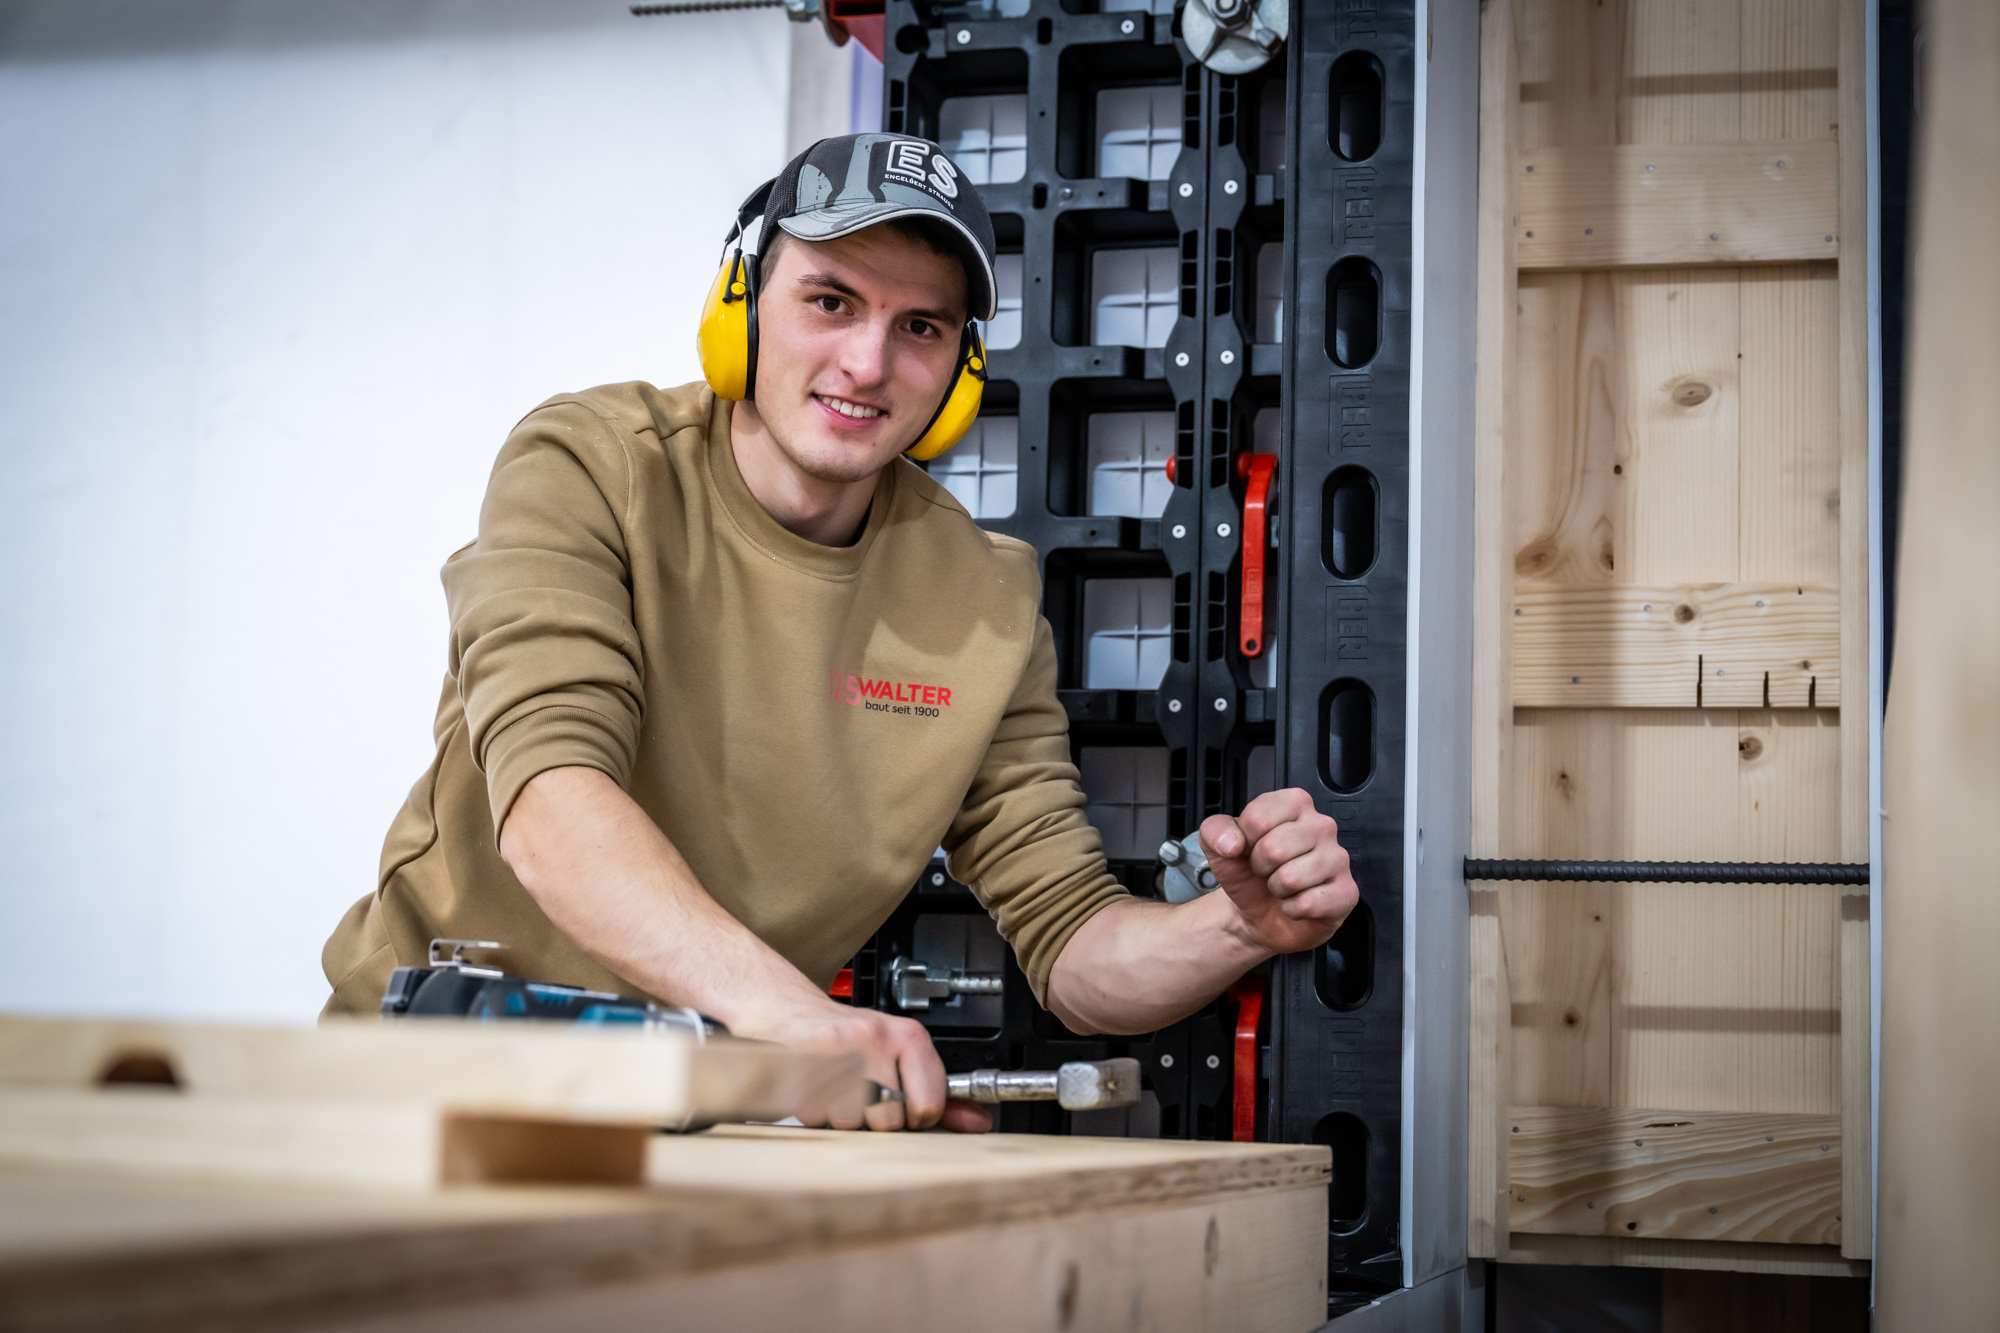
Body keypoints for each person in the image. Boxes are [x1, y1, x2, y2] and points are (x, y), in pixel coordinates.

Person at [321, 133, 1359, 1133]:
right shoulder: (591, 466)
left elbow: (1071, 945)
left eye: (920, 327)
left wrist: (1233, 926)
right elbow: (551, 804)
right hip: (426, 1085)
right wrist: (795, 1018)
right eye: (830, 301)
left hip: (700, 1124)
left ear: (960, 364)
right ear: (742, 308)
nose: (867, 363)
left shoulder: (984, 598)